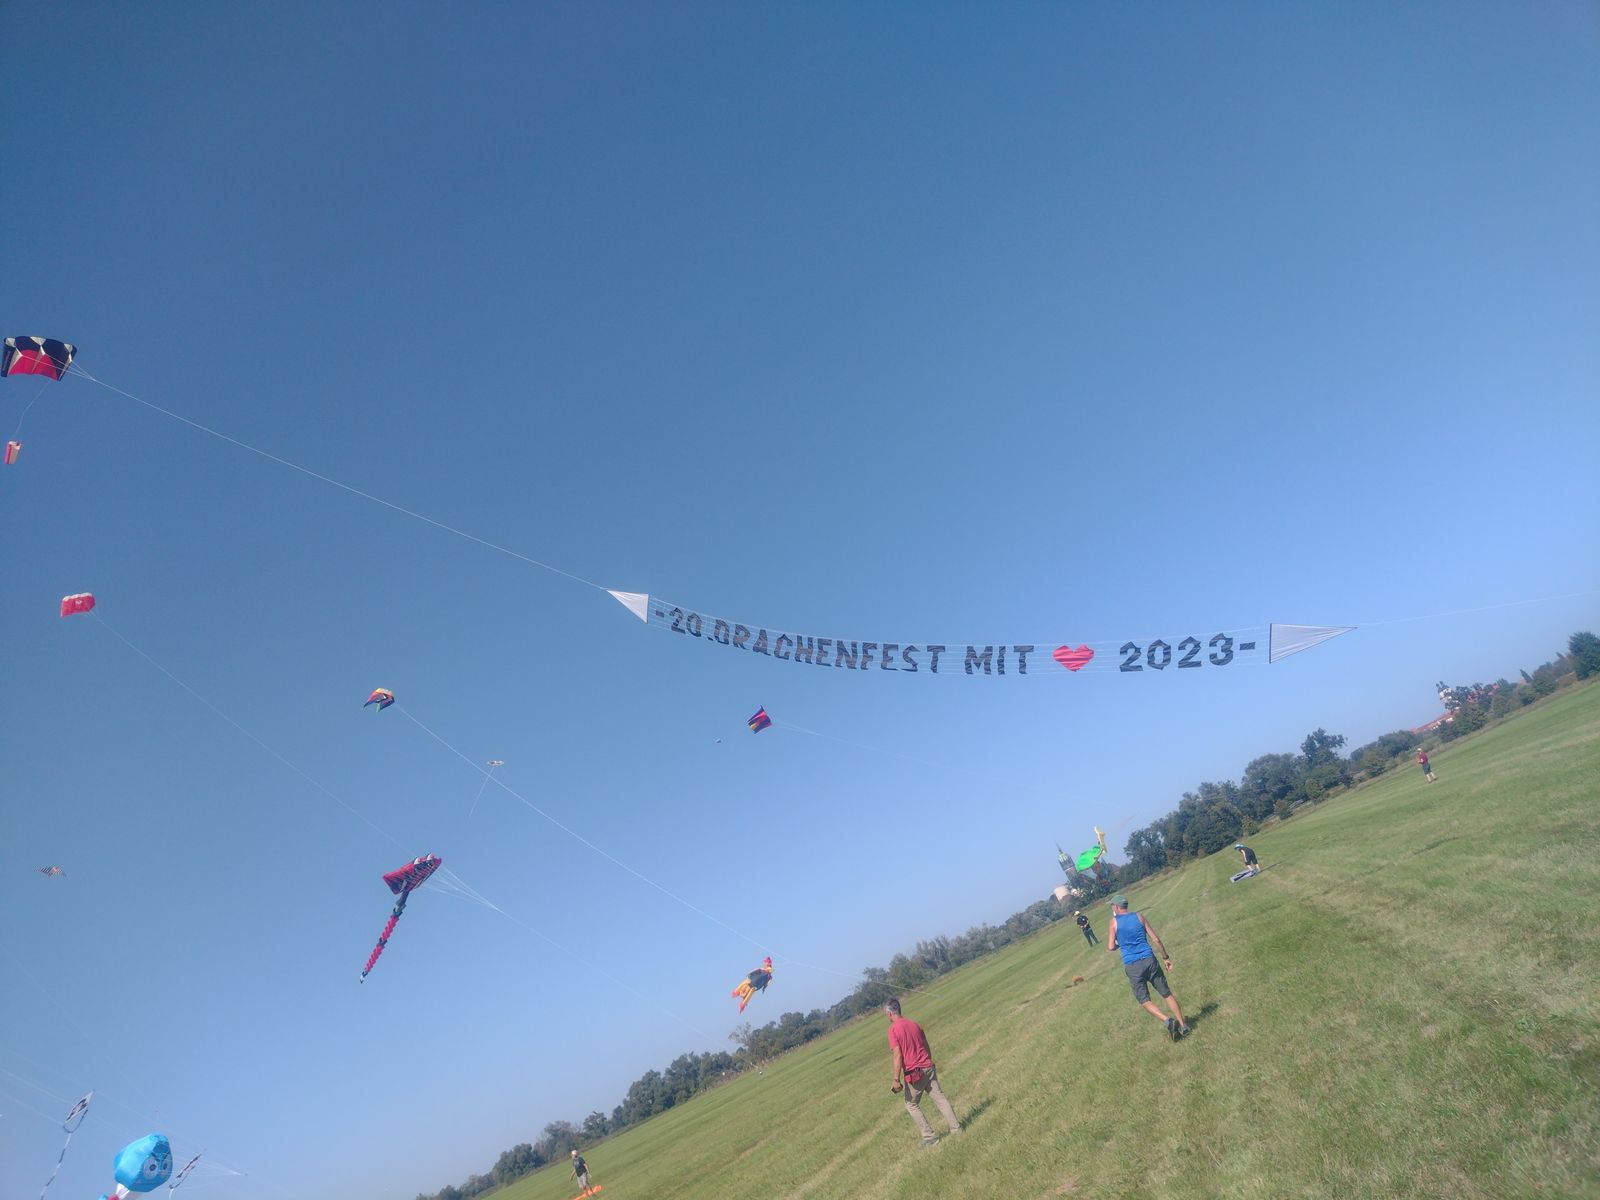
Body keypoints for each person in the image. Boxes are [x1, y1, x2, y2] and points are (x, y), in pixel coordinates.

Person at [1106, 894, 1190, 1041]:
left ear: (1117, 907)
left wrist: (1122, 943)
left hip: (1133, 966)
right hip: (1150, 960)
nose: (1111, 908)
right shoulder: (1139, 917)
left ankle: (1168, 1021)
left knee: (1144, 1000)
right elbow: (1156, 939)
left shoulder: (1113, 922)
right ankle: (1183, 1026)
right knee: (1166, 993)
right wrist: (1166, 958)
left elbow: (1111, 946)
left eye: (1112, 905)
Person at [884, 997, 961, 1147]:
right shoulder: (913, 1023)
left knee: (911, 1104)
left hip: (915, 1073)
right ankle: (956, 1129)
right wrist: (929, 1062)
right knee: (941, 1099)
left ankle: (929, 1136)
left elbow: (897, 1055)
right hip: (928, 1066)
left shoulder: (893, 1030)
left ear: (889, 1013)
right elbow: (925, 1044)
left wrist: (896, 1079)